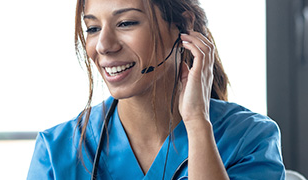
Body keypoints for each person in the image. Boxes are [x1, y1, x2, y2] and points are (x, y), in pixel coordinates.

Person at [28, 0, 285, 179]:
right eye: (93, 28)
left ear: (183, 26)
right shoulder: (56, 150)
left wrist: (197, 123)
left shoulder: (250, 138)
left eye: (126, 23)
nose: (104, 45)